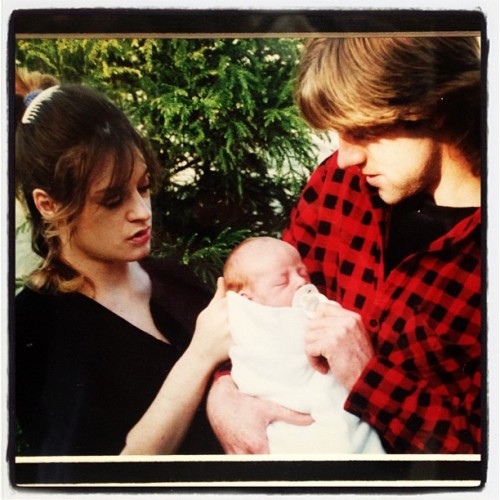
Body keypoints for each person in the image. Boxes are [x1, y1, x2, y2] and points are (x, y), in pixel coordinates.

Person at [207, 36, 481, 454]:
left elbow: (481, 452)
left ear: (436, 109)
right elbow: (261, 304)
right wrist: (222, 394)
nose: (345, 157)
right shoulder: (337, 187)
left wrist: (365, 374)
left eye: (362, 131)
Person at [14, 70, 231, 464]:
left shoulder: (171, 274)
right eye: (113, 199)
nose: (141, 212)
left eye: (143, 187)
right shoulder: (33, 327)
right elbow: (95, 479)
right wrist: (200, 355)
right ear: (49, 205)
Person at [223, 236, 385, 454]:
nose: (301, 283)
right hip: (282, 412)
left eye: (302, 272)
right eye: (282, 282)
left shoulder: (318, 308)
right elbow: (255, 363)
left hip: (331, 405)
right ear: (248, 299)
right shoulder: (251, 322)